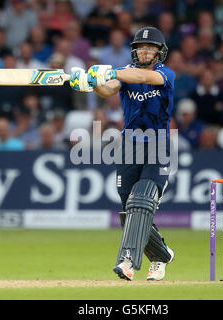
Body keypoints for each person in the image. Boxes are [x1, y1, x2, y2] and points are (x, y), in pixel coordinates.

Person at [70, 27, 175, 281]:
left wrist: (112, 71)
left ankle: (127, 262)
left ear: (159, 53)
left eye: (150, 48)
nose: (145, 51)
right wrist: (91, 84)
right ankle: (161, 255)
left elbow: (143, 78)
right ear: (135, 50)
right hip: (129, 146)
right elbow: (109, 89)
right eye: (141, 47)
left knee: (142, 200)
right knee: (131, 209)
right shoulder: (126, 73)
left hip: (158, 145)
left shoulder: (165, 73)